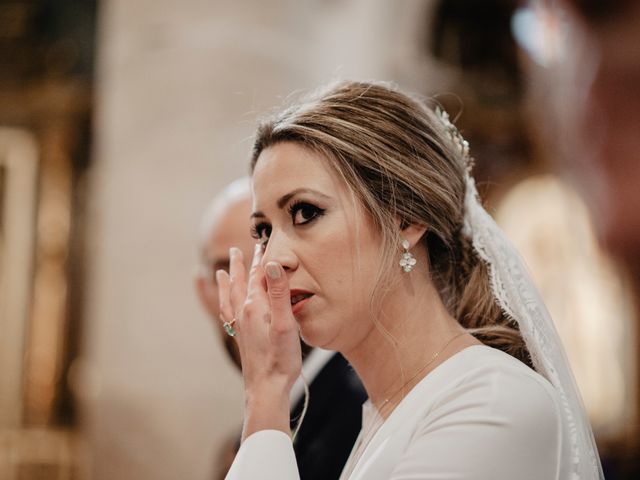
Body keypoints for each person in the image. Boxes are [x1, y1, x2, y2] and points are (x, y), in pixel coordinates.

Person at [215, 80, 603, 479]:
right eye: (262, 232)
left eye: (305, 213)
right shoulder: (382, 416)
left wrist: (265, 393)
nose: (273, 260)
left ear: (406, 217)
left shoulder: (494, 401)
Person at [195, 178, 366, 480]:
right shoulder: (241, 437)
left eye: (261, 258)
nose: (249, 293)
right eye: (226, 269)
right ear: (203, 293)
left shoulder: (356, 405)